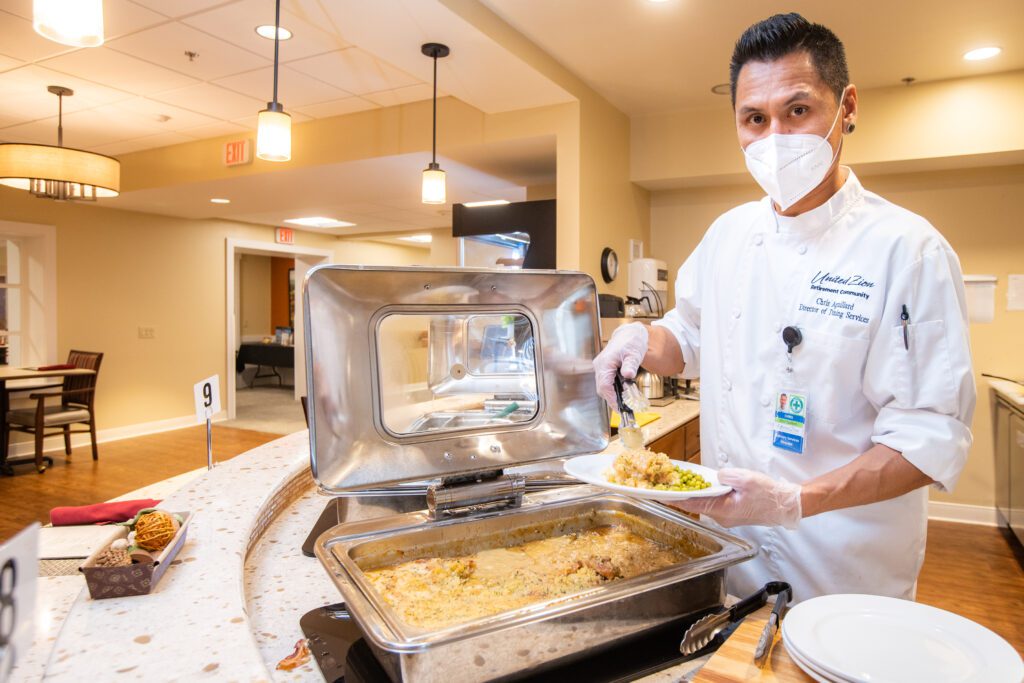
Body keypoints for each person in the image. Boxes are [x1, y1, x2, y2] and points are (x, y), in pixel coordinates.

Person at [593, 13, 975, 602]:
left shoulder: (908, 249)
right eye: (754, 118)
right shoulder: (727, 234)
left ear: (846, 106)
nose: (774, 137)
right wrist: (641, 341)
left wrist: (796, 502)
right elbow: (688, 336)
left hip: (847, 569)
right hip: (733, 557)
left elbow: (929, 439)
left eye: (797, 110)